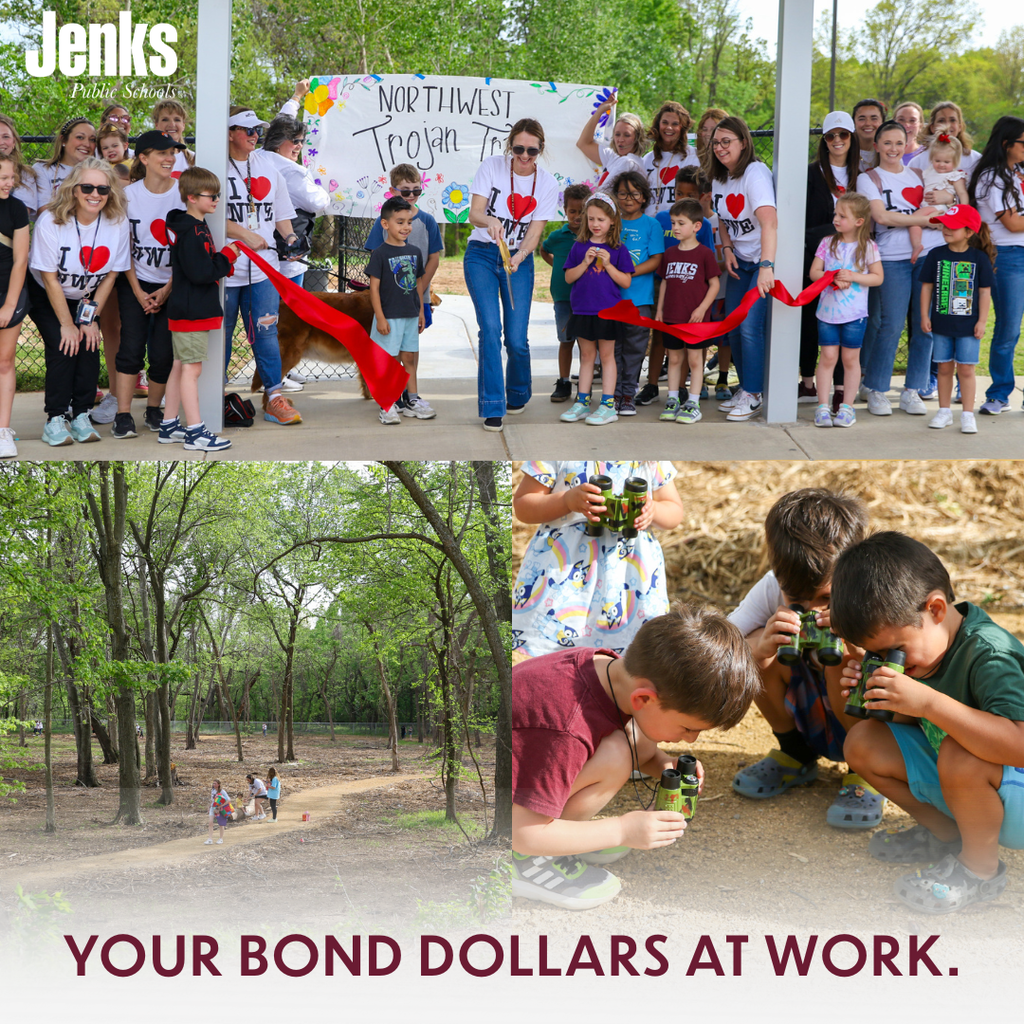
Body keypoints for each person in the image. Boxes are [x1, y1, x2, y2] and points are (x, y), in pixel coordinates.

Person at [511, 603, 760, 909]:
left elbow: (636, 735)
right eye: (687, 727)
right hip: (497, 818)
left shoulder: (609, 669)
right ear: (644, 698)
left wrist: (661, 762)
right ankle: (527, 864)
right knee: (618, 754)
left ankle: (568, 836)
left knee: (635, 741)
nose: (691, 739)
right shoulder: (566, 730)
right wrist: (621, 830)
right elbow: (523, 831)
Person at [832, 532, 1024, 914]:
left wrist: (929, 703)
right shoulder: (928, 648)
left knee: (959, 749)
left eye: (894, 650)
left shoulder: (990, 654)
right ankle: (948, 837)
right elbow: (920, 724)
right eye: (876, 653)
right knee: (863, 743)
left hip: (1013, 792)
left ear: (936, 609)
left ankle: (980, 871)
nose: (890, 660)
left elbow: (1018, 744)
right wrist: (883, 698)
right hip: (971, 783)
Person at [730, 488, 874, 826]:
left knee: (843, 659)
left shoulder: (872, 588)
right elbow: (720, 648)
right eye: (796, 597)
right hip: (810, 715)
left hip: (869, 726)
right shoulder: (771, 588)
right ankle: (795, 753)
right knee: (754, 644)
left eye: (825, 597)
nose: (811, 610)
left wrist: (858, 648)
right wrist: (760, 649)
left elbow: (911, 670)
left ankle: (866, 771)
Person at [512, 460, 683, 657]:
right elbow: (523, 505)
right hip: (565, 572)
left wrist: (653, 511)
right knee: (555, 654)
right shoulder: (558, 451)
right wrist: (566, 501)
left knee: (631, 656)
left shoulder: (648, 457)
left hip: (628, 575)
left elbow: (675, 511)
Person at [28, 157, 130, 446]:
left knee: (88, 344)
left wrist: (87, 320)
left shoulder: (117, 222)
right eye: (87, 187)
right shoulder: (52, 219)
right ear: (73, 189)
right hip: (48, 293)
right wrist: (67, 324)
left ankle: (82, 414)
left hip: (86, 296)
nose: (95, 194)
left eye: (103, 189)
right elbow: (49, 278)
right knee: (65, 346)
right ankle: (56, 418)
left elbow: (110, 276)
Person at [464, 118, 558, 432]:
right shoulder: (491, 167)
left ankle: (518, 390)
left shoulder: (546, 183)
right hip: (481, 255)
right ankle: (493, 405)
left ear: (540, 149)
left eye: (532, 150)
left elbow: (536, 231)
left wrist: (518, 256)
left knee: (516, 339)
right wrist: (488, 221)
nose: (525, 155)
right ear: (510, 146)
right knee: (490, 329)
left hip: (518, 260)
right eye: (519, 148)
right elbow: (474, 212)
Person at [223, 106, 302, 426]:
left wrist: (292, 239)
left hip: (264, 269)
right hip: (224, 271)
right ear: (230, 133)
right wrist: (246, 236)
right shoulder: (213, 166)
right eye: (248, 130)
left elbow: (282, 216)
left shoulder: (268, 166)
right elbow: (206, 214)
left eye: (258, 130)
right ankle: (215, 398)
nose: (255, 135)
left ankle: (274, 396)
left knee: (267, 333)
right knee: (222, 336)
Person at [857, 121, 941, 417]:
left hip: (928, 255)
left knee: (924, 325)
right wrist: (923, 219)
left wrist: (927, 216)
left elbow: (945, 206)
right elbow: (880, 217)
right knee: (891, 324)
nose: (893, 148)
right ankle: (877, 389)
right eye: (887, 143)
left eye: (899, 143)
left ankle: (913, 389)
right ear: (877, 145)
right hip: (892, 258)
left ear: (907, 145)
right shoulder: (869, 179)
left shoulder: (919, 174)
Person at [112, 131, 186, 440]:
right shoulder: (129, 196)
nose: (170, 158)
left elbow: (187, 248)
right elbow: (123, 248)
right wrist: (139, 291)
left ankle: (154, 409)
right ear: (143, 158)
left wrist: (167, 288)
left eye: (173, 152)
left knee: (162, 353)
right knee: (130, 348)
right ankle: (123, 414)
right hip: (135, 282)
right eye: (162, 153)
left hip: (172, 283)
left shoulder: (183, 194)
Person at [163, 166, 239, 451]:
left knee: (180, 365)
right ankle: (195, 432)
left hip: (187, 308)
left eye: (219, 195)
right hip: (192, 310)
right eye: (212, 195)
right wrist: (227, 257)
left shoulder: (192, 226)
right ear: (192, 197)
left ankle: (169, 425)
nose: (217, 200)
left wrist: (220, 261)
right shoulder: (192, 231)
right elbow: (201, 272)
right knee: (191, 370)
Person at [707, 116, 777, 422]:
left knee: (750, 327)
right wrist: (726, 247)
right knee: (732, 325)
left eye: (727, 142)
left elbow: (769, 222)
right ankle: (746, 387)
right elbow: (722, 217)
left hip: (762, 263)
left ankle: (754, 393)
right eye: (716, 142)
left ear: (743, 143)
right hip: (741, 261)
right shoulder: (719, 176)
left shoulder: (755, 173)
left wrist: (766, 266)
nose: (721, 148)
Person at [363, 163, 443, 417]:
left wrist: (419, 297)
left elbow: (433, 258)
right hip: (390, 305)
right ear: (393, 191)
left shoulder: (427, 221)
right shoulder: (383, 223)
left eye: (415, 191)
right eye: (404, 192)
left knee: (410, 350)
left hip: (414, 302)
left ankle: (411, 397)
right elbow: (377, 266)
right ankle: (391, 398)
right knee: (391, 352)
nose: (410, 196)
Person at [639, 166, 720, 408]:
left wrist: (702, 307)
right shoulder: (662, 223)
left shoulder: (703, 227)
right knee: (664, 345)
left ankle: (687, 395)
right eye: (679, 192)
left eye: (691, 194)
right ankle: (657, 388)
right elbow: (661, 272)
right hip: (667, 296)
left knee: (692, 353)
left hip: (693, 303)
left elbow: (710, 276)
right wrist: (661, 307)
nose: (683, 198)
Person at [801, 111, 862, 411]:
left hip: (853, 261)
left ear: (852, 138)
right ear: (824, 141)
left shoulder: (862, 175)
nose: (837, 141)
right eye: (830, 136)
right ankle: (808, 381)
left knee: (847, 321)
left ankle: (841, 389)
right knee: (815, 321)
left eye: (843, 135)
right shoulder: (811, 173)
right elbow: (806, 219)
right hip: (817, 258)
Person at [808, 192, 883, 428]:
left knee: (851, 359)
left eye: (842, 215)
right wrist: (832, 279)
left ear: (859, 221)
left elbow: (877, 277)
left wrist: (853, 276)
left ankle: (847, 408)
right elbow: (814, 273)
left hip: (855, 315)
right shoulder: (827, 243)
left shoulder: (868, 246)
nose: (836, 219)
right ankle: (822, 407)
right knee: (828, 357)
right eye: (835, 214)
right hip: (827, 314)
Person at [558, 194, 633, 426]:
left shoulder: (618, 249)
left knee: (607, 356)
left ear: (612, 220)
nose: (595, 224)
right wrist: (584, 263)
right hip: (582, 310)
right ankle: (582, 402)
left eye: (601, 219)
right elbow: (569, 277)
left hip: (608, 312)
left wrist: (609, 264)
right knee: (587, 356)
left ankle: (608, 405)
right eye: (591, 219)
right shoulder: (579, 247)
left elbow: (626, 282)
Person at [920, 205, 993, 433]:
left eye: (953, 226)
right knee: (943, 368)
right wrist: (924, 315)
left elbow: (984, 292)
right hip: (941, 324)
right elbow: (926, 287)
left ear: (969, 232)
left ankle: (968, 414)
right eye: (944, 224)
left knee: (966, 370)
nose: (945, 229)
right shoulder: (936, 255)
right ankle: (943, 411)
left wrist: (981, 321)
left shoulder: (979, 258)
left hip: (969, 327)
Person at [968, 115, 1024, 416]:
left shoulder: (1017, 173)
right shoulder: (992, 176)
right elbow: (1013, 224)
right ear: (1007, 144)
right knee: (1008, 328)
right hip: (1008, 256)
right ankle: (999, 394)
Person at [655, 198, 720, 425]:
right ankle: (672, 400)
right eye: (673, 223)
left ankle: (693, 403)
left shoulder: (704, 254)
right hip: (672, 316)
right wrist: (660, 310)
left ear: (696, 226)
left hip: (695, 319)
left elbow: (714, 285)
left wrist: (703, 309)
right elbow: (664, 282)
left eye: (680, 223)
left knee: (694, 360)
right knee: (673, 358)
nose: (675, 228)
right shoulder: (670, 253)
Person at [367, 196, 427, 425]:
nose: (406, 227)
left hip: (411, 316)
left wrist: (420, 312)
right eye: (400, 222)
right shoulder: (380, 253)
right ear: (385, 224)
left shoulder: (414, 251)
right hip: (389, 318)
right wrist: (380, 317)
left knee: (409, 358)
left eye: (409, 222)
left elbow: (418, 284)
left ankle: (412, 401)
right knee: (389, 362)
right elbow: (374, 288)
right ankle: (387, 404)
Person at [610, 171, 663, 415]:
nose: (628, 198)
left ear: (644, 197)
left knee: (634, 348)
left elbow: (655, 260)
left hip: (639, 299)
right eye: (622, 193)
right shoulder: (610, 221)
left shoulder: (652, 225)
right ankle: (613, 394)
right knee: (613, 348)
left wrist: (628, 273)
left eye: (634, 193)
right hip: (609, 298)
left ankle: (628, 395)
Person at [543, 183, 591, 402]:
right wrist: (557, 267)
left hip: (589, 300)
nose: (578, 216)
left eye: (582, 211)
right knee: (565, 340)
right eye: (573, 211)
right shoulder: (558, 236)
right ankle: (564, 381)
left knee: (587, 342)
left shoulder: (594, 236)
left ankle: (585, 381)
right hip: (563, 298)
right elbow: (544, 249)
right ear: (565, 211)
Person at [0, 154, 30, 458]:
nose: (10, 183)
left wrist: (9, 304)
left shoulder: (17, 208)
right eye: (3, 178)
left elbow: (21, 260)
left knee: (5, 361)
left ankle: (3, 430)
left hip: (9, 292)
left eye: (11, 177)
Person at [576, 97, 646, 192]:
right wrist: (600, 111)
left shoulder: (628, 162)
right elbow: (583, 143)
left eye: (627, 135)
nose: (620, 140)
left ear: (637, 139)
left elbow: (603, 193)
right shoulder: (614, 157)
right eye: (617, 134)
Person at [30, 116, 97, 214]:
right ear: (63, 140)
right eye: (80, 137)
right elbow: (44, 211)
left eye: (92, 140)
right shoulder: (43, 169)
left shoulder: (98, 173)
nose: (87, 144)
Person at [643, 101, 698, 214]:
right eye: (665, 122)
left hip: (680, 226)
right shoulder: (647, 160)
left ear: (682, 127)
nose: (669, 127)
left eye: (675, 124)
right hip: (651, 226)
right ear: (658, 125)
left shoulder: (693, 157)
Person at [908, 101, 979, 176]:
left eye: (952, 120)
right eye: (941, 120)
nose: (947, 124)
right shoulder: (918, 162)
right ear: (932, 128)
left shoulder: (975, 159)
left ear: (959, 127)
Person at [921, 133, 970, 214]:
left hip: (942, 208)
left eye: (946, 162)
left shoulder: (955, 176)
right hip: (926, 206)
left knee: (918, 216)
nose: (941, 164)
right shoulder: (928, 172)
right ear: (931, 159)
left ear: (955, 162)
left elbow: (962, 193)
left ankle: (916, 225)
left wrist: (963, 210)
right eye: (937, 161)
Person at [152, 99, 195, 176]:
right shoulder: (147, 158)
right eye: (165, 120)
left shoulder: (193, 159)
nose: (172, 124)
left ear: (183, 125)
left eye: (177, 120)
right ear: (157, 125)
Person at [0, 115, 35, 209]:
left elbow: (21, 215)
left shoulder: (25, 175)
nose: (1, 142)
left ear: (14, 142)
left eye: (6, 137)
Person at [851, 99, 886, 170]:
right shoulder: (844, 151)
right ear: (854, 122)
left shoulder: (889, 151)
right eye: (862, 119)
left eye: (874, 118)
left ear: (882, 122)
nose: (868, 123)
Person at [205, 779, 233, 843]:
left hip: (220, 809)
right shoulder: (213, 791)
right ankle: (210, 839)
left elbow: (228, 800)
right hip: (213, 808)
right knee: (210, 823)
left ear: (218, 784)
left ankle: (221, 838)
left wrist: (220, 806)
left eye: (215, 783)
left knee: (221, 824)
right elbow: (213, 800)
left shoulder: (222, 791)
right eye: (213, 783)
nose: (213, 784)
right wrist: (209, 806)